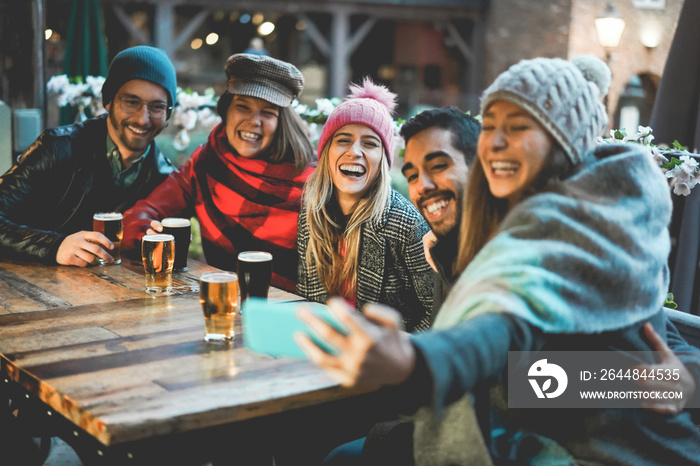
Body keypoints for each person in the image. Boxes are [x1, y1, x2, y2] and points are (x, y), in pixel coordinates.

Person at [298, 56, 700, 464]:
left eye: (439, 165)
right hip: (506, 417)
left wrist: (414, 362)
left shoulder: (554, 241)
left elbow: (499, 333)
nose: (423, 186)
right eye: (413, 173)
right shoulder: (453, 242)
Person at [122, 53, 314, 291]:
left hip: (296, 311)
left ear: (282, 122)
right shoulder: (205, 163)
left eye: (268, 112)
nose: (254, 121)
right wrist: (146, 234)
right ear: (226, 112)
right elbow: (147, 211)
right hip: (221, 300)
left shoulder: (316, 180)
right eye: (242, 107)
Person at [0, 45, 176, 266]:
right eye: (131, 102)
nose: (143, 119)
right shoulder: (57, 148)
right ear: (109, 101)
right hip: (31, 293)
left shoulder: (167, 179)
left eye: (157, 107)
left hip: (119, 296)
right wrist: (54, 245)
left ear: (168, 114)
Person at [296, 77, 433, 333]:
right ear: (326, 152)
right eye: (343, 140)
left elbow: (437, 313)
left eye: (369, 143)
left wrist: (402, 356)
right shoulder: (311, 212)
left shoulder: (405, 223)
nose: (354, 151)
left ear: (383, 159)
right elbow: (308, 297)